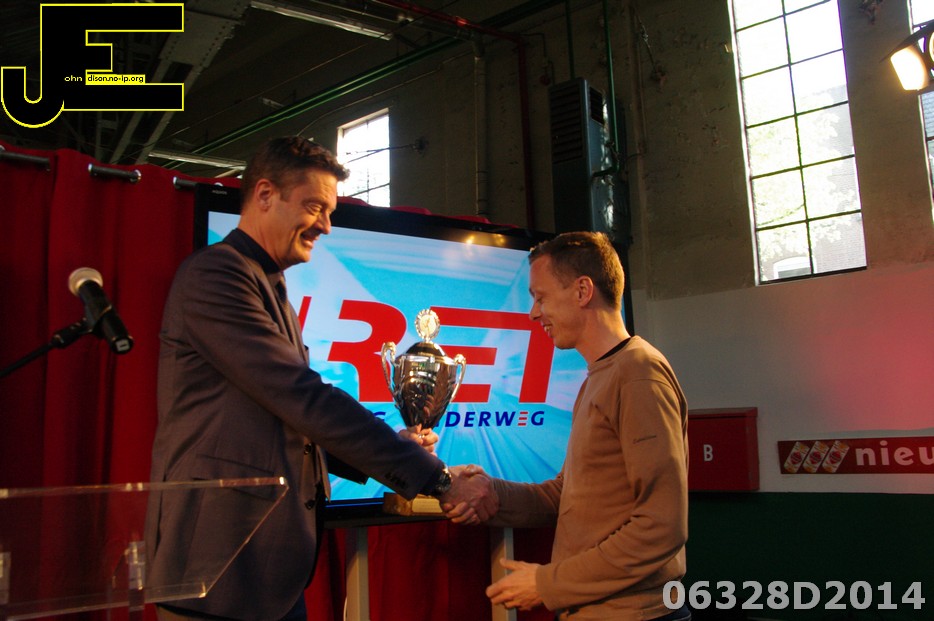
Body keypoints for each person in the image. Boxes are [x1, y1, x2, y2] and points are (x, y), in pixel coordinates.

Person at [145, 136, 496, 621]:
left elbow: (285, 420)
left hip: (266, 572)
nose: (326, 226)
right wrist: (435, 479)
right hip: (217, 568)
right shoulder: (218, 275)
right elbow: (301, 398)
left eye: (329, 212)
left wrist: (396, 446)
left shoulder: (269, 286)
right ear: (265, 194)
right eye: (314, 207)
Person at [454, 231, 690, 620]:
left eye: (541, 297)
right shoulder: (601, 376)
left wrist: (547, 584)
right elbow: (564, 495)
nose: (533, 313)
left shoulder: (638, 374)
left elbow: (662, 525)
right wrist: (488, 492)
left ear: (582, 291)